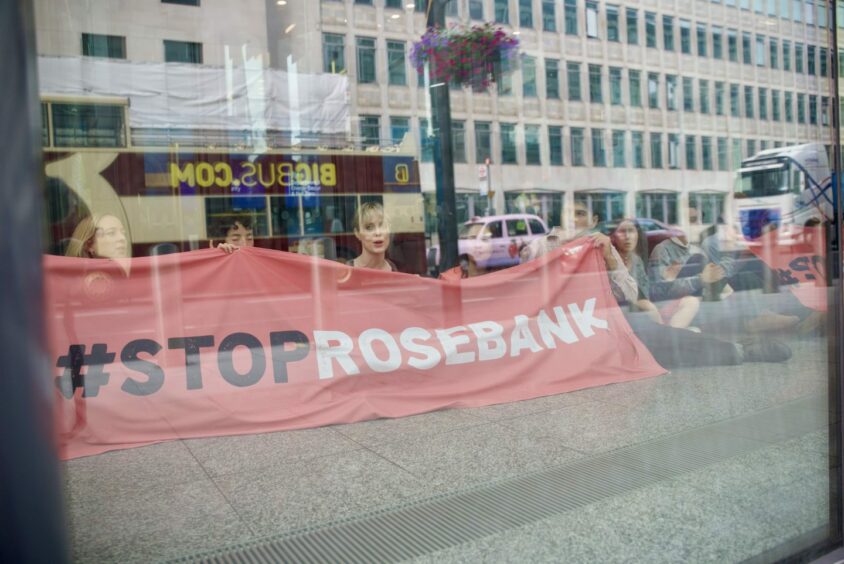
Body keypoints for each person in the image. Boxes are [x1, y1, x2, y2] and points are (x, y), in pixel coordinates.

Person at [522, 217, 791, 368]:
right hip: (562, 331)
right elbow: (524, 290)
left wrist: (610, 259)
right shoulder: (539, 247)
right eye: (572, 212)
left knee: (664, 342)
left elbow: (630, 293)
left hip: (604, 323)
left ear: (592, 221)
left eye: (582, 214)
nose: (577, 219)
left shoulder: (601, 248)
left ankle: (740, 351)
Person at [610, 219, 700, 329]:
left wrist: (667, 280)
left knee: (691, 301)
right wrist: (644, 303)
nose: (627, 236)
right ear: (613, 236)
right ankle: (671, 333)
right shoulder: (610, 260)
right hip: (623, 313)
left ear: (638, 235)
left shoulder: (636, 259)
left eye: (631, 231)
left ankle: (672, 332)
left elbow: (648, 291)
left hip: (648, 309)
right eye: (622, 231)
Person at [349, 201, 397, 272]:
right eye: (369, 227)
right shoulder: (347, 270)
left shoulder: (395, 269)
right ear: (357, 233)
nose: (378, 233)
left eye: (382, 225)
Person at [65, 214, 130, 261]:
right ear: (89, 245)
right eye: (111, 233)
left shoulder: (128, 274)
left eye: (123, 233)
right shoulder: (84, 278)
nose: (122, 238)